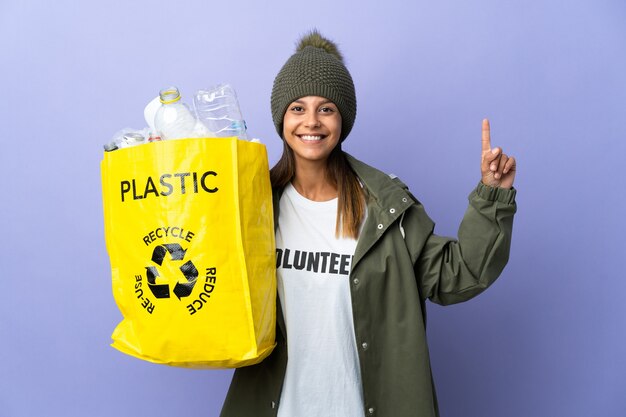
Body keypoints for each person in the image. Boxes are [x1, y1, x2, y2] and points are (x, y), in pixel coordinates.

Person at [221, 30, 517, 417]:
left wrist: (491, 196)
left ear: (343, 118)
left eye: (326, 108)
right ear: (281, 117)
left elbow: (458, 275)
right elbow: (207, 283)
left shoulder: (384, 206)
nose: (311, 121)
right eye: (298, 108)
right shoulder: (252, 202)